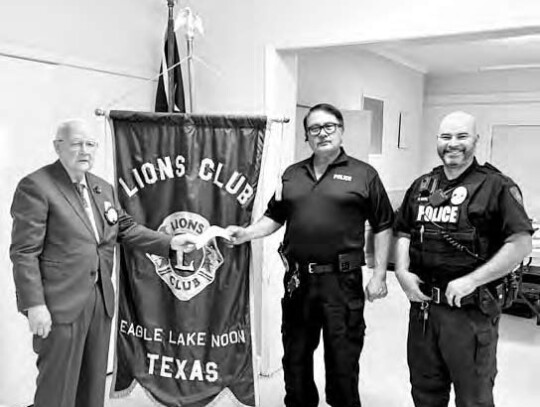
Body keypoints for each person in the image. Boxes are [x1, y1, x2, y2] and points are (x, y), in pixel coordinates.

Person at [10, 119, 196, 407]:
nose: (84, 150)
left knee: (92, 383)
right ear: (57, 147)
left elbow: (125, 228)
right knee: (56, 389)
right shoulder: (37, 186)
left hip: (100, 300)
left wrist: (169, 243)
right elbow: (24, 252)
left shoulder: (101, 188)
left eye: (90, 144)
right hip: (60, 304)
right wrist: (35, 305)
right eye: (76, 144)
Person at [227, 103, 394, 407]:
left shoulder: (364, 174)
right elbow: (274, 216)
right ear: (306, 137)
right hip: (298, 281)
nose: (322, 133)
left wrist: (379, 275)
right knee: (295, 354)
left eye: (329, 126)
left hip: (342, 283)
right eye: (314, 129)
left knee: (342, 357)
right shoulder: (292, 175)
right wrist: (247, 233)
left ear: (341, 130)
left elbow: (383, 225)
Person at [394, 111, 533, 407]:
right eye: (446, 137)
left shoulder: (496, 186)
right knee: (424, 391)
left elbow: (520, 243)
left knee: (473, 398)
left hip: (470, 314)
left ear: (476, 140)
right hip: (423, 311)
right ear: (437, 141)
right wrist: (402, 271)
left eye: (462, 136)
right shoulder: (423, 185)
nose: (453, 144)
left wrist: (472, 280)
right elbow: (404, 230)